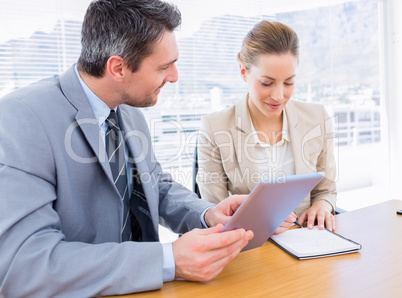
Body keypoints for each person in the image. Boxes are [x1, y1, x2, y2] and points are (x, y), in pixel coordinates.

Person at [0, 1, 299, 297]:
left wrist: (208, 214)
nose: (174, 77)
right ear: (118, 67)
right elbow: (25, 265)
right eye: (164, 66)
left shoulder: (129, 114)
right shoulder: (21, 119)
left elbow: (155, 185)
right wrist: (170, 260)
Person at [196, 20, 337, 232]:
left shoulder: (316, 118)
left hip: (307, 239)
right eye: (266, 83)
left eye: (288, 82)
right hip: (248, 246)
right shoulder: (215, 128)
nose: (279, 96)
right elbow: (216, 213)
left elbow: (326, 189)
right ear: (244, 72)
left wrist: (322, 204)